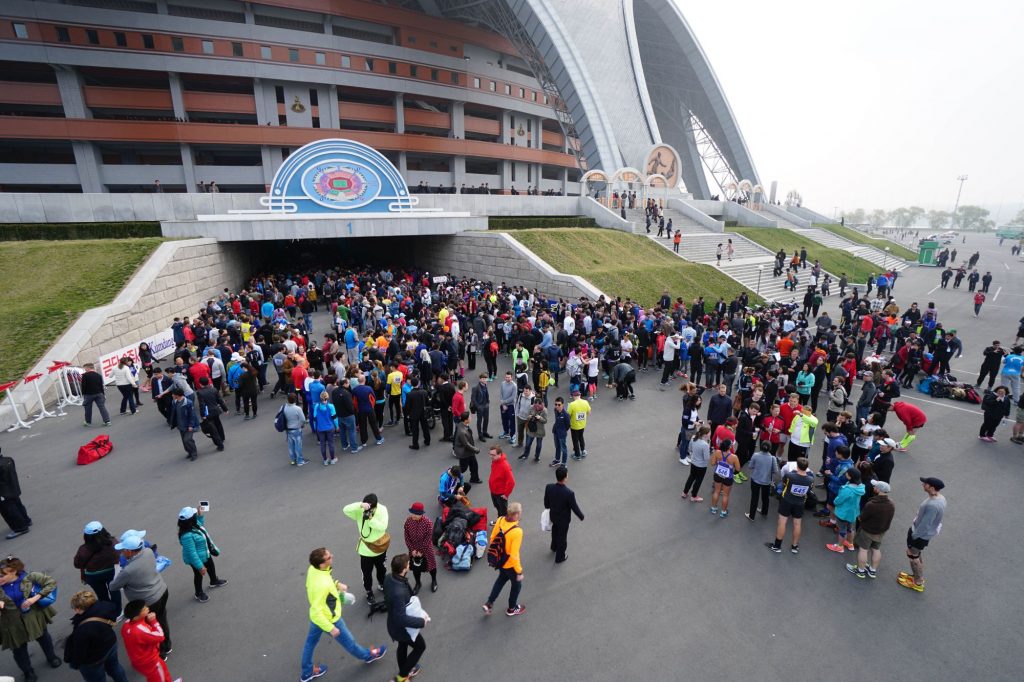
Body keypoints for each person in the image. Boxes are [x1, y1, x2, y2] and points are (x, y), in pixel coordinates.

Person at [300, 547, 387, 682]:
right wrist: (331, 628)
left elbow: (325, 581)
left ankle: (307, 672)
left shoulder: (314, 570)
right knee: (350, 642)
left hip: (317, 619)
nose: (332, 556)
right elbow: (318, 611)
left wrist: (336, 584)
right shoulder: (321, 585)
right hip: (329, 619)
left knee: (310, 643)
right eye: (329, 557)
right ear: (322, 563)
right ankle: (368, 656)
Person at [108, 534, 171, 659]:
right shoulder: (148, 552)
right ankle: (167, 645)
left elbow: (113, 586)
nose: (121, 553)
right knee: (162, 619)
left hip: (148, 601)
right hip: (162, 590)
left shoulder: (128, 570)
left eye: (123, 550)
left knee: (150, 627)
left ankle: (160, 652)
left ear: (130, 552)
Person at [0, 556, 62, 681]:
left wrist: (35, 598)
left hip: (33, 616)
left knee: (43, 637)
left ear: (13, 571)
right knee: (18, 649)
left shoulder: (29, 577)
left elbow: (51, 583)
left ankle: (51, 657)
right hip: (11, 622)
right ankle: (28, 672)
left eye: (2, 575)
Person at [63, 589, 129, 682]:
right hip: (111, 644)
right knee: (115, 667)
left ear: (79, 608)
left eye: (75, 607)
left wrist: (75, 664)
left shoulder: (83, 629)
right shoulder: (106, 606)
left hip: (94, 659)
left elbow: (80, 651)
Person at [383, 554, 428, 682]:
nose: (409, 565)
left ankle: (404, 669)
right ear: (404, 569)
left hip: (393, 625)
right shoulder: (399, 592)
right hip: (402, 629)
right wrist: (421, 622)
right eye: (408, 564)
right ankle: (402, 676)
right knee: (420, 647)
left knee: (402, 646)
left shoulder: (389, 578)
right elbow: (401, 619)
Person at [899, 477, 947, 593]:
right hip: (922, 534)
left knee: (912, 556)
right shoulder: (940, 498)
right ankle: (916, 576)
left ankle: (918, 582)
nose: (923, 484)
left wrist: (914, 536)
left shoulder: (933, 505)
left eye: (925, 483)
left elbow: (925, 524)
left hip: (919, 535)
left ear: (932, 487)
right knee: (916, 554)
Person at [343, 495, 389, 604]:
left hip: (379, 547)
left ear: (375, 506)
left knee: (382, 569)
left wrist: (370, 519)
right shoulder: (360, 509)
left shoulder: (382, 510)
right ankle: (369, 591)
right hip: (365, 550)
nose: (366, 510)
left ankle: (382, 584)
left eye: (369, 508)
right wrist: (359, 505)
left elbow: (383, 527)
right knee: (366, 573)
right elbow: (345, 510)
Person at [482, 501, 525, 617]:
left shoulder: (500, 520)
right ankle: (512, 608)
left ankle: (489, 602)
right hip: (510, 564)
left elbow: (492, 538)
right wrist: (519, 571)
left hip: (500, 561)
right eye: (519, 513)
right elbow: (514, 554)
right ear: (515, 514)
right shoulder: (517, 531)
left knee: (501, 580)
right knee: (517, 585)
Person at [846, 480, 895, 579]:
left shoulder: (872, 504)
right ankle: (872, 570)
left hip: (868, 531)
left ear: (878, 489)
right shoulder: (891, 503)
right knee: (876, 549)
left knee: (863, 550)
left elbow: (861, 518)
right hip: (880, 532)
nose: (873, 487)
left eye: (875, 486)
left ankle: (860, 571)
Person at [177, 506, 226, 604]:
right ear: (191, 519)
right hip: (196, 559)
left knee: (211, 566)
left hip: (205, 552)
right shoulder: (186, 536)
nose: (196, 516)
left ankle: (213, 581)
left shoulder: (194, 525)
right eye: (194, 515)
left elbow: (201, 525)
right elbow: (192, 553)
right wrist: (200, 566)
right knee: (198, 575)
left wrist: (200, 515)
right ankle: (198, 593)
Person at [766, 456, 814, 554]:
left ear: (797, 466)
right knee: (797, 524)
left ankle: (777, 546)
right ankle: (794, 546)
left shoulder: (789, 475)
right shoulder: (810, 479)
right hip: (800, 503)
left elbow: (783, 483)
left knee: (782, 522)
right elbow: (809, 490)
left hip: (787, 500)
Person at [73, 521, 120, 612]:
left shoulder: (83, 550)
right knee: (114, 591)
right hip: (112, 572)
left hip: (93, 576)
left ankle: (107, 611)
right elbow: (119, 555)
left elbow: (77, 564)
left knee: (102, 595)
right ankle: (118, 612)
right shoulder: (113, 543)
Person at [120, 599, 171, 682]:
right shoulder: (139, 630)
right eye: (144, 609)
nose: (147, 608)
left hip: (140, 660)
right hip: (150, 661)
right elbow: (161, 636)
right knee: (159, 678)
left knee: (162, 672)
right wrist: (153, 621)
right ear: (136, 617)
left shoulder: (126, 625)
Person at [543, 466, 584, 563]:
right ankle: (560, 557)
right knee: (562, 537)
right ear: (565, 477)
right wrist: (581, 516)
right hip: (563, 520)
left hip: (553, 516)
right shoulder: (569, 493)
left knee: (555, 530)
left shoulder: (549, 487)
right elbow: (575, 507)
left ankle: (554, 547)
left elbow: (546, 503)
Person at [825, 468, 865, 553]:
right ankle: (850, 544)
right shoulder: (860, 487)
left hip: (843, 513)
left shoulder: (847, 489)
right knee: (850, 528)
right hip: (853, 513)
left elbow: (839, 500)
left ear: (850, 477)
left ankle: (840, 546)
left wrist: (835, 501)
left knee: (842, 530)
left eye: (847, 473)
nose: (845, 474)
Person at [402, 503, 437, 595]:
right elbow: (407, 536)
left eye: (416, 514)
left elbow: (428, 539)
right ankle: (418, 583)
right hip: (413, 549)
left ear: (421, 514)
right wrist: (412, 550)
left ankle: (434, 580)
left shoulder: (428, 523)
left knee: (431, 566)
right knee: (415, 568)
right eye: (412, 513)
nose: (413, 515)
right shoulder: (408, 521)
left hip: (426, 549)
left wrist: (421, 551)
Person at [0, 448, 31, 539]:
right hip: (13, 488)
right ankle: (26, 520)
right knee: (17, 504)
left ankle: (20, 528)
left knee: (8, 511)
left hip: (3, 493)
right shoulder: (8, 459)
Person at [745, 441, 779, 521]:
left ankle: (751, 516)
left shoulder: (756, 455)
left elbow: (750, 466)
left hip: (755, 480)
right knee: (765, 497)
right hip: (766, 481)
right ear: (770, 448)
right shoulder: (772, 458)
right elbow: (775, 471)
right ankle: (764, 512)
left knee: (754, 497)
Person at [709, 438, 740, 518]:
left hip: (717, 475)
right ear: (729, 447)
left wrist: (720, 462)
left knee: (716, 491)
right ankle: (723, 512)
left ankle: (713, 508)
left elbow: (712, 463)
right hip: (728, 477)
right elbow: (738, 469)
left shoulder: (717, 452)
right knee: (725, 495)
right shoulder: (734, 457)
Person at [168, 387, 200, 462]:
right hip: (180, 425)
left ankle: (194, 453)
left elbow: (192, 415)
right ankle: (189, 452)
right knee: (184, 440)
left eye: (173, 394)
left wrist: (191, 425)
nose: (172, 395)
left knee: (187, 440)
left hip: (188, 425)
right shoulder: (175, 402)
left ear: (177, 395)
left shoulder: (188, 402)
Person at [195, 377, 226, 451]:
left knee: (212, 429)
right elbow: (220, 400)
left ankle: (219, 444)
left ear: (200, 384)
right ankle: (222, 437)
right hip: (216, 410)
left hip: (208, 412)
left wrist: (203, 415)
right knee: (218, 424)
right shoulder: (214, 389)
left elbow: (202, 405)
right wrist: (225, 409)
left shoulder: (200, 392)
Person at [681, 425, 711, 503]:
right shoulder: (705, 445)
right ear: (705, 434)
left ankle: (685, 492)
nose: (710, 433)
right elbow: (706, 458)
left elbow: (690, 448)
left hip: (693, 462)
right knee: (698, 481)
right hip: (701, 466)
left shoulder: (694, 437)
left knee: (691, 477)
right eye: (709, 432)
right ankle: (694, 496)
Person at [453, 411, 482, 483]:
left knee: (474, 465)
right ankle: (450, 475)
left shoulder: (461, 425)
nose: (471, 418)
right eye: (470, 417)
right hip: (464, 453)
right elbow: (466, 444)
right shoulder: (462, 432)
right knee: (463, 468)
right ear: (466, 419)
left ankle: (474, 478)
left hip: (468, 451)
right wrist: (476, 450)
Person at [311, 391, 339, 465]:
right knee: (331, 443)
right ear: (327, 397)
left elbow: (314, 418)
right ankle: (333, 459)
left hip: (320, 428)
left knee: (322, 444)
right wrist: (337, 426)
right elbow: (335, 418)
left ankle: (325, 460)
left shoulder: (316, 406)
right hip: (330, 428)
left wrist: (315, 428)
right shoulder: (331, 406)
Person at [488, 446, 515, 519]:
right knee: (497, 506)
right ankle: (499, 521)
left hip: (500, 494)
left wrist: (506, 494)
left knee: (503, 511)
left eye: (493, 455)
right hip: (494, 491)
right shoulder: (495, 461)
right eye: (490, 454)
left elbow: (512, 482)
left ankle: (503, 527)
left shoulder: (505, 466)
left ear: (499, 454)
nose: (491, 456)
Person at [281, 393, 308, 465]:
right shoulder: (297, 409)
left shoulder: (284, 407)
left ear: (288, 399)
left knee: (291, 445)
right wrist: (301, 425)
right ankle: (300, 461)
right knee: (298, 445)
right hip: (296, 429)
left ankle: (293, 460)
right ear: (295, 400)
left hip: (288, 429)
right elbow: (303, 419)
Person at [404, 378, 430, 450]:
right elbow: (427, 403)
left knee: (415, 430)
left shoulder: (409, 394)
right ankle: (427, 441)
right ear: (418, 383)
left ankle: (415, 445)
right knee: (425, 427)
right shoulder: (424, 392)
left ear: (411, 384)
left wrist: (407, 414)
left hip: (414, 414)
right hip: (423, 413)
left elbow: (407, 406)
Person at [567, 389, 591, 460]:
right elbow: (589, 412)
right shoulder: (585, 402)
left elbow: (568, 415)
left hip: (574, 425)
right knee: (581, 437)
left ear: (573, 396)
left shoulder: (571, 404)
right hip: (582, 424)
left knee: (575, 440)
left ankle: (577, 455)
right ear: (580, 395)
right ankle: (583, 450)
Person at [471, 373, 491, 440]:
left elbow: (486, 395)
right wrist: (478, 406)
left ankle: (485, 432)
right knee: (479, 421)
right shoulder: (475, 388)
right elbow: (473, 399)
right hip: (480, 407)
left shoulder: (485, 385)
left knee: (486, 420)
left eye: (485, 378)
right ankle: (480, 435)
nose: (484, 380)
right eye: (483, 379)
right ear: (480, 379)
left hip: (486, 406)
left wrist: (488, 403)